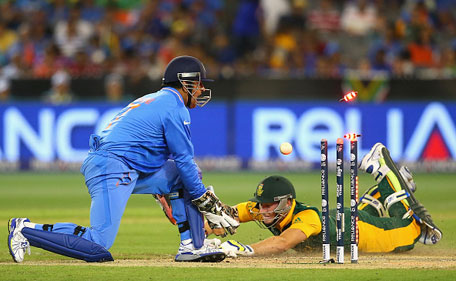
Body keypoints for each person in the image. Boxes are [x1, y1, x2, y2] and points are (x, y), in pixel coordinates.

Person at [8, 55, 239, 263]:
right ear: (185, 81)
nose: (200, 90)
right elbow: (184, 159)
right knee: (98, 244)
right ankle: (26, 230)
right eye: (198, 84)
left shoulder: (158, 99)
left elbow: (177, 167)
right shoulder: (174, 106)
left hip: (125, 164)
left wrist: (184, 197)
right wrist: (204, 199)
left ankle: (192, 246)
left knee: (184, 177)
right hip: (112, 165)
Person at [216, 143, 442, 257]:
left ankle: (381, 165)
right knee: (364, 214)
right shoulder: (262, 207)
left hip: (365, 234)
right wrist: (200, 226)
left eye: (268, 205)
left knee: (410, 231)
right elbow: (222, 215)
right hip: (346, 221)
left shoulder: (307, 218)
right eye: (261, 204)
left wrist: (244, 249)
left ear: (286, 203)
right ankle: (395, 182)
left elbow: (282, 243)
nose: (262, 210)